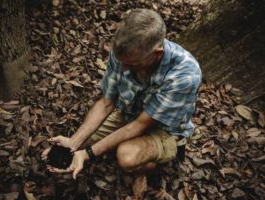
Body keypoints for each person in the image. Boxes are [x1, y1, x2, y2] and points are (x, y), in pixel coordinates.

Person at [41, 8, 201, 199]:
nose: (124, 68)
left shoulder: (184, 76)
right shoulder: (124, 53)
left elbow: (140, 125)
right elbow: (106, 103)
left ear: (157, 53)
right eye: (121, 61)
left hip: (164, 129)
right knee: (81, 141)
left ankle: (151, 166)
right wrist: (74, 143)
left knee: (126, 156)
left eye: (132, 64)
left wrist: (87, 154)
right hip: (130, 115)